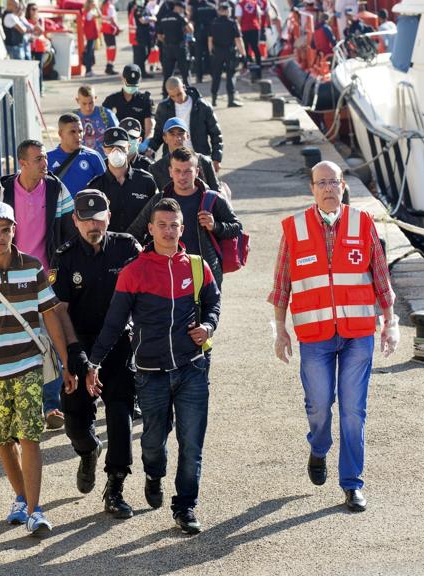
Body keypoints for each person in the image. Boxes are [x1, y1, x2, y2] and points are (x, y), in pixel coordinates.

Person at [268, 160, 399, 512]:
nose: (328, 188)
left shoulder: (363, 223)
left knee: (354, 410)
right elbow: (282, 286)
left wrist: (390, 321)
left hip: (358, 333)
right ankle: (318, 447)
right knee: (319, 405)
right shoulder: (294, 229)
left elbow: (380, 277)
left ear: (343, 186)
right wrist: (280, 330)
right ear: (312, 188)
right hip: (315, 335)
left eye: (333, 182)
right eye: (321, 182)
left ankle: (352, 483)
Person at [87, 197, 221, 534]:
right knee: (153, 443)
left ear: (182, 228)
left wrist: (208, 326)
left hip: (192, 368)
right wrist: (93, 363)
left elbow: (212, 303)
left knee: (192, 444)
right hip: (150, 373)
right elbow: (114, 323)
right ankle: (153, 474)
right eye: (161, 225)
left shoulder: (196, 266)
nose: (168, 231)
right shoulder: (135, 272)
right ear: (150, 229)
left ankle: (186, 506)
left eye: (173, 225)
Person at [0, 202, 76, 535]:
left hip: (28, 365)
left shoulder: (33, 267)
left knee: (30, 436)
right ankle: (21, 498)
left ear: (14, 231)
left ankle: (36, 510)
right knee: (3, 439)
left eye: (5, 229)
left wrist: (66, 363)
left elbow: (50, 315)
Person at [50, 190, 141, 518]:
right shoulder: (67, 255)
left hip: (118, 344)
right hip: (80, 344)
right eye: (85, 219)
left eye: (98, 218)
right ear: (74, 220)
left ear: (109, 217)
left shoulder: (128, 248)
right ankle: (88, 451)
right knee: (75, 420)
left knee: (120, 414)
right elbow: (60, 312)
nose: (93, 224)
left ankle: (115, 486)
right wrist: (75, 360)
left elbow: (144, 296)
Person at [0, 139, 75, 429]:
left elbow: (68, 232)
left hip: (46, 275)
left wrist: (61, 269)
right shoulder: (1, 191)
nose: (44, 163)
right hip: (11, 277)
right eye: (38, 159)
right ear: (22, 163)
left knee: (48, 339)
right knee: (19, 339)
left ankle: (51, 406)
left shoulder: (56, 188)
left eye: (45, 158)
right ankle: (17, 403)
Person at [128, 146, 240, 290]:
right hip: (167, 274)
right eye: (178, 171)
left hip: (205, 273)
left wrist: (215, 226)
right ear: (170, 172)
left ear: (197, 172)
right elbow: (134, 232)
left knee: (208, 312)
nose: (182, 176)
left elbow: (236, 227)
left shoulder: (212, 199)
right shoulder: (159, 200)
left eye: (188, 171)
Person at [88, 127, 157, 233]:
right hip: (108, 247)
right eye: (111, 147)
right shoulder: (95, 187)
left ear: (128, 147)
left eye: (120, 146)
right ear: (104, 150)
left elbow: (156, 217)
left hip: (140, 247)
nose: (116, 151)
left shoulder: (146, 182)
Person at [148, 77, 223, 173]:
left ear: (184, 87)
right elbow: (159, 134)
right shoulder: (164, 108)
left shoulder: (203, 106)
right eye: (172, 96)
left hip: (198, 159)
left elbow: (216, 134)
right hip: (173, 160)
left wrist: (216, 159)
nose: (177, 98)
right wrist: (150, 149)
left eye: (179, 94)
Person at [149, 117, 220, 192]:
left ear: (188, 136)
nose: (177, 138)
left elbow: (216, 195)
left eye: (181, 133)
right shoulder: (156, 169)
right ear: (165, 138)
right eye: (172, 134)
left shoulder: (204, 162)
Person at [47, 113, 106, 198]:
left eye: (80, 131)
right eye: (72, 132)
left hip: (87, 210)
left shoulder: (93, 157)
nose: (78, 136)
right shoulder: (47, 159)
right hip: (59, 211)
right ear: (60, 134)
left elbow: (105, 189)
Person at [102, 64, 156, 146]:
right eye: (129, 84)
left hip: (138, 143)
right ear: (122, 78)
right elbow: (103, 124)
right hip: (117, 143)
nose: (131, 88)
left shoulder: (145, 101)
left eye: (134, 85)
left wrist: (145, 144)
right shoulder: (112, 100)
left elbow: (150, 128)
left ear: (140, 80)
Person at [209, 2, 246, 108]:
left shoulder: (214, 22)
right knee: (231, 75)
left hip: (217, 53)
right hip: (230, 52)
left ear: (219, 11)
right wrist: (244, 54)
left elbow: (210, 39)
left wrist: (211, 52)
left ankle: (214, 99)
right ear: (228, 11)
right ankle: (231, 100)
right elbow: (238, 40)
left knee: (216, 76)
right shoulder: (232, 23)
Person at [156, 0, 193, 97]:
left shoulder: (163, 18)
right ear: (178, 8)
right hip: (180, 48)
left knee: (167, 74)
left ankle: (165, 94)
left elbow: (159, 36)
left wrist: (167, 43)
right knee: (185, 73)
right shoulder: (179, 17)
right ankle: (189, 93)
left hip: (168, 49)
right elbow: (190, 29)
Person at [74, 85, 119, 158]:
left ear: (95, 98)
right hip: (81, 161)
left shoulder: (106, 114)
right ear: (77, 100)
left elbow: (118, 136)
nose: (88, 108)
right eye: (84, 103)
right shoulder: (73, 118)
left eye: (91, 103)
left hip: (104, 161)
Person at [190, 0, 217, 84]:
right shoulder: (212, 6)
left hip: (199, 33)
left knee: (198, 56)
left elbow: (192, 22)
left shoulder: (196, 7)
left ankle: (199, 77)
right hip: (211, 33)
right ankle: (213, 75)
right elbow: (216, 20)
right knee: (211, 54)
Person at [235, 0, 261, 76]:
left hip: (245, 29)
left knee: (244, 48)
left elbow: (239, 18)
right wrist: (258, 26)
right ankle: (259, 64)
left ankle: (245, 67)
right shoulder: (255, 3)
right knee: (255, 47)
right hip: (255, 28)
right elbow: (258, 16)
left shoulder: (240, 5)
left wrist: (238, 29)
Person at [25, 3, 47, 94]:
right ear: (28, 10)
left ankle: (40, 89)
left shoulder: (40, 19)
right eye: (32, 9)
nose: (34, 11)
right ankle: (31, 90)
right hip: (29, 47)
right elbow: (27, 32)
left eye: (36, 9)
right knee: (29, 69)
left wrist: (36, 25)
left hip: (39, 47)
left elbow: (42, 31)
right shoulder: (26, 20)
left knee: (39, 69)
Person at [132, 0, 156, 77]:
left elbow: (153, 18)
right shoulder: (138, 9)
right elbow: (142, 21)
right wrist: (151, 18)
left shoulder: (146, 8)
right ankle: (141, 72)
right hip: (141, 35)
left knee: (147, 52)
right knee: (142, 54)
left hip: (148, 34)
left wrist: (148, 18)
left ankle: (141, 71)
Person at [101, 0, 121, 75]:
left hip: (105, 30)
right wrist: (118, 27)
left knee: (109, 48)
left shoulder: (104, 6)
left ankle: (109, 66)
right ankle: (110, 67)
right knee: (112, 48)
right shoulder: (110, 6)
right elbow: (112, 19)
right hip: (110, 30)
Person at [82, 0, 101, 77]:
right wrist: (97, 7)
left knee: (90, 52)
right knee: (89, 53)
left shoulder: (87, 12)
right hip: (90, 35)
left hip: (89, 35)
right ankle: (88, 70)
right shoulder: (90, 13)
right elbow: (100, 15)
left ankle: (89, 70)